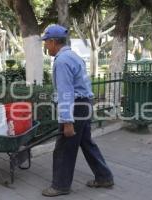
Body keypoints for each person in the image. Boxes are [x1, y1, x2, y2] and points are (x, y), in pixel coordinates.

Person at [41, 24, 114, 197]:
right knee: (86, 143)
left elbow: (66, 93)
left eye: (46, 42)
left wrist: (67, 122)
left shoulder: (62, 61)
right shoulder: (73, 56)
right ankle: (104, 177)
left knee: (64, 148)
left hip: (76, 106)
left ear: (53, 42)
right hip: (84, 103)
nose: (45, 46)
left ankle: (60, 186)